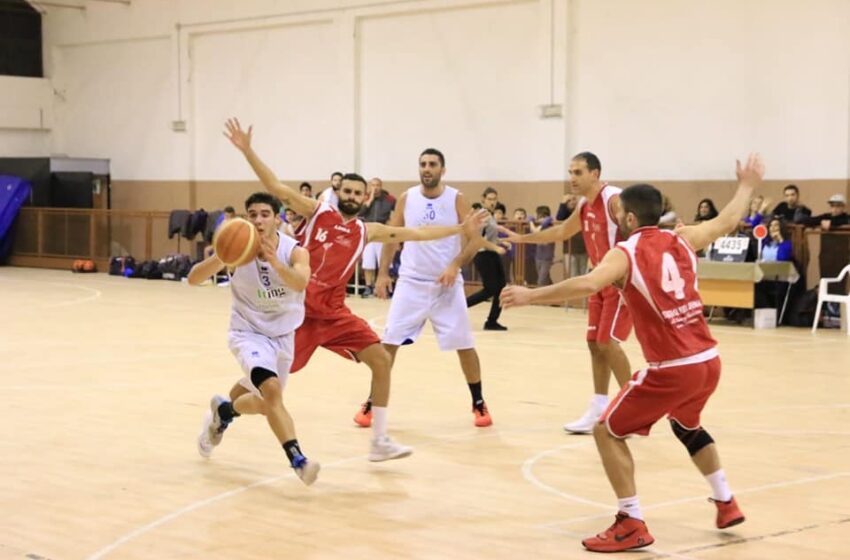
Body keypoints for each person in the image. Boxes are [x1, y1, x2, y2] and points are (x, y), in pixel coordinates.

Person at [502, 153, 764, 552]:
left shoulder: (624, 253)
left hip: (673, 367)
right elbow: (727, 221)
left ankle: (631, 520)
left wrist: (530, 294)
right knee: (686, 425)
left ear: (626, 218)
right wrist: (746, 185)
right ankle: (726, 502)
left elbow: (589, 283)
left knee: (606, 431)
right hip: (709, 361)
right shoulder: (682, 237)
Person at [223, 118, 486, 458]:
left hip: (333, 315)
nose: (350, 196)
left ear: (366, 197)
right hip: (296, 314)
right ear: (338, 194)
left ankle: (379, 441)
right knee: (265, 391)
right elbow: (275, 186)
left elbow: (416, 234)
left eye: (357, 193)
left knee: (380, 359)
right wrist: (247, 151)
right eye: (345, 191)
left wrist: (460, 228)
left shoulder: (368, 230)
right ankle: (224, 410)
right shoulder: (317, 212)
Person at [190, 192, 319, 485]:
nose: (258, 220)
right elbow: (193, 278)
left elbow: (300, 282)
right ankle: (298, 460)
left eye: (264, 214)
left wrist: (275, 262)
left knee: (265, 403)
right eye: (252, 214)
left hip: (283, 335)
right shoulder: (236, 248)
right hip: (248, 332)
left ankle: (224, 411)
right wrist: (221, 257)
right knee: (271, 391)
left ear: (278, 217)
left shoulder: (294, 251)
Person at [502, 152, 633, 434]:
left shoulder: (614, 200)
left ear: (595, 173)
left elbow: (641, 231)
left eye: (577, 172)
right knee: (594, 343)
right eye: (570, 172)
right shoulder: (586, 205)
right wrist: (522, 238)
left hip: (619, 283)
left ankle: (634, 409)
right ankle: (599, 405)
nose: (571, 178)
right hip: (597, 282)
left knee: (608, 344)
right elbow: (562, 231)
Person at [374, 148, 494, 427]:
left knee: (465, 345)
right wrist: (382, 273)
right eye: (423, 164)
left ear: (443, 169)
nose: (427, 168)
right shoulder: (407, 198)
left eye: (433, 164)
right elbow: (392, 236)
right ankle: (372, 401)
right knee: (388, 343)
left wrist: (455, 264)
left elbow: (474, 240)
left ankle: (478, 402)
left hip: (446, 286)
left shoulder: (456, 198)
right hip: (411, 282)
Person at [466, 187, 510, 331]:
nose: (492, 202)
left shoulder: (490, 215)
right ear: (483, 199)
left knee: (500, 288)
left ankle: (492, 321)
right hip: (483, 254)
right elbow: (478, 239)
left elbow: (489, 237)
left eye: (494, 199)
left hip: (491, 253)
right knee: (490, 289)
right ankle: (459, 308)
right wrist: (496, 247)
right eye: (490, 199)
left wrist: (501, 242)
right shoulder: (482, 215)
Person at [358, 177, 396, 297]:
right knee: (368, 263)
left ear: (381, 185)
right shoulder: (365, 198)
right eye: (373, 185)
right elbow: (360, 213)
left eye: (378, 185)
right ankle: (369, 287)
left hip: (382, 234)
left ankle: (384, 287)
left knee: (384, 262)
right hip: (369, 234)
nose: (376, 187)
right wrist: (370, 200)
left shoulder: (389, 199)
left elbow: (398, 213)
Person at [530, 205, 555, 286]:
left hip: (547, 258)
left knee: (541, 280)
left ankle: (539, 297)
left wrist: (531, 222)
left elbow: (535, 232)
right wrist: (531, 221)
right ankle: (553, 294)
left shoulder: (549, 224)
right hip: (538, 256)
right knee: (546, 278)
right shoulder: (538, 224)